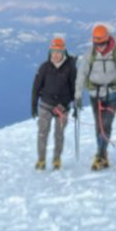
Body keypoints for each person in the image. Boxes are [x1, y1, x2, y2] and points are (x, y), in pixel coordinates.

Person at [74, 23, 116, 170]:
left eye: (102, 43)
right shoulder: (90, 54)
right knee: (100, 126)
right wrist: (78, 95)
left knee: (106, 124)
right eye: (96, 43)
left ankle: (99, 155)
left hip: (113, 93)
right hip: (95, 94)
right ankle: (103, 154)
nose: (99, 46)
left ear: (107, 40)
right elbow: (82, 74)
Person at [31, 35, 76, 170]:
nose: (56, 55)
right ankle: (41, 160)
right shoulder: (44, 67)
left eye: (59, 53)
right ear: (50, 52)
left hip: (63, 107)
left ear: (63, 53)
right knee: (42, 133)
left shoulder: (70, 68)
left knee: (59, 134)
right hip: (45, 105)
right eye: (54, 52)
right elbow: (36, 87)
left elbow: (74, 89)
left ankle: (56, 159)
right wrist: (33, 106)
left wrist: (75, 105)